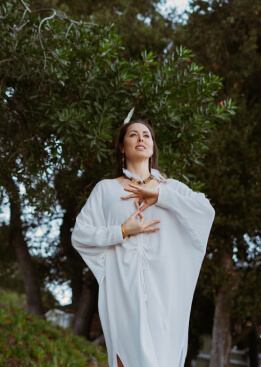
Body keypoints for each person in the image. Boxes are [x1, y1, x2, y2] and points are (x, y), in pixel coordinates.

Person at [71, 118, 215, 367]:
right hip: (122, 288)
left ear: (153, 146)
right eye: (133, 135)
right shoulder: (106, 190)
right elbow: (81, 234)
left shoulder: (172, 188)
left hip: (166, 291)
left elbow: (205, 212)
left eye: (146, 135)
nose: (140, 139)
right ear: (121, 147)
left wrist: (160, 195)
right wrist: (122, 231)